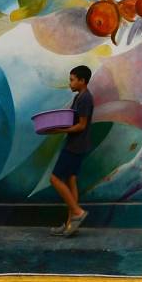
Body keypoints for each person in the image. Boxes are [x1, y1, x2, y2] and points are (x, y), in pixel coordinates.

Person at [46, 64, 94, 237]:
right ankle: (69, 225)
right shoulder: (79, 97)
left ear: (82, 81)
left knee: (54, 178)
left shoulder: (84, 99)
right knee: (71, 180)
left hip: (75, 146)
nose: (70, 83)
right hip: (77, 144)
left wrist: (59, 131)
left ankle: (77, 212)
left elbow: (81, 125)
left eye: (72, 80)